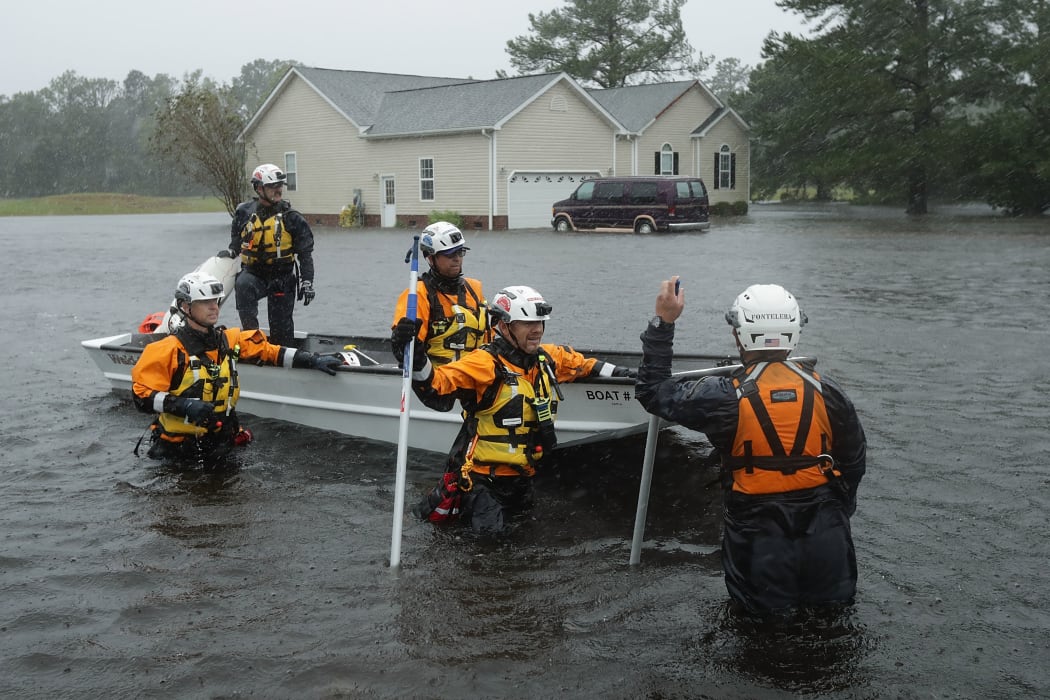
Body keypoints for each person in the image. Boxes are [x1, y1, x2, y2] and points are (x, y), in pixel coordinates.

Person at [635, 279, 867, 614]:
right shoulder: (827, 391)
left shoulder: (722, 396)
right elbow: (854, 461)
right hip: (826, 531)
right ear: (794, 331)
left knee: (761, 628)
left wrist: (664, 322)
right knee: (833, 619)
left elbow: (653, 390)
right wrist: (836, 511)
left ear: (739, 335)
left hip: (760, 536)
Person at [399, 285, 636, 535]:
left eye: (540, 322)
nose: (537, 330)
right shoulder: (484, 363)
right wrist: (415, 357)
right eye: (526, 323)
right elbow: (436, 387)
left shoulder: (548, 359)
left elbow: (587, 365)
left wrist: (632, 376)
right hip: (482, 484)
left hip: (522, 481)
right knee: (491, 545)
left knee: (526, 538)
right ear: (503, 325)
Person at [131, 271, 343, 467]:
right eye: (205, 302)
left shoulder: (229, 340)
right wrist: (183, 405)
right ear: (186, 307)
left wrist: (311, 359)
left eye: (215, 301)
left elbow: (270, 352)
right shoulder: (166, 350)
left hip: (222, 440)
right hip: (177, 450)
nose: (214, 307)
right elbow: (141, 397)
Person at [219, 163, 316, 346]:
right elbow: (236, 239)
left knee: (281, 329)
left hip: (282, 275)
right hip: (254, 273)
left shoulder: (293, 218)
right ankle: (252, 342)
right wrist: (232, 251)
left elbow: (305, 254)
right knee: (243, 284)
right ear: (259, 188)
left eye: (280, 186)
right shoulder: (243, 212)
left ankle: (283, 354)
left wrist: (307, 281)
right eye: (273, 186)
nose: (278, 190)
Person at [389, 221, 489, 368]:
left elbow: (489, 338)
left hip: (477, 377)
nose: (457, 258)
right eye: (450, 254)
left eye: (460, 252)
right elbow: (404, 353)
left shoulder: (474, 289)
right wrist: (400, 339)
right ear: (430, 258)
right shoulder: (418, 294)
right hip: (438, 382)